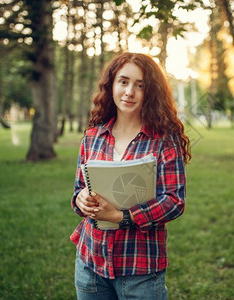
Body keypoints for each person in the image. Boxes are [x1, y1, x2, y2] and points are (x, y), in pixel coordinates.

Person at [70, 52, 191, 300]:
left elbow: (174, 201)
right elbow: (79, 190)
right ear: (111, 85)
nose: (129, 92)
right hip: (91, 263)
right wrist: (80, 200)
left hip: (140, 270)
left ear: (151, 92)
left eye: (140, 85)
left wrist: (121, 216)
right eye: (123, 82)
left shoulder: (164, 141)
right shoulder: (92, 137)